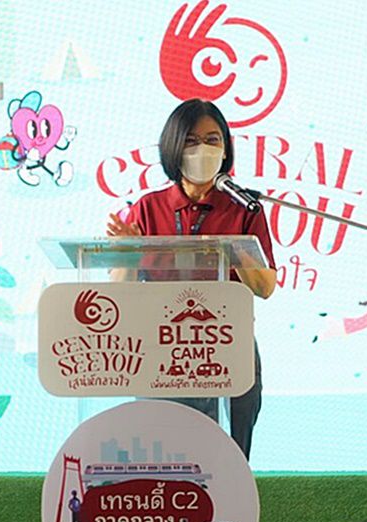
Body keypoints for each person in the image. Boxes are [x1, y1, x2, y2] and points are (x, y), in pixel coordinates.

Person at [105, 98, 277, 459]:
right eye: (191, 141)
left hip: (227, 341)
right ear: (173, 147)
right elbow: (119, 290)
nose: (203, 149)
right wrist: (127, 252)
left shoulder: (244, 208)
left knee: (232, 451)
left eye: (213, 140)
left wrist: (234, 249)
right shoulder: (147, 208)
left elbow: (265, 288)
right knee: (165, 450)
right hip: (162, 346)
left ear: (226, 149)